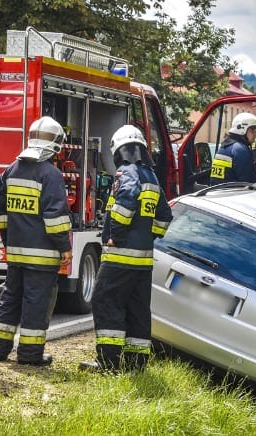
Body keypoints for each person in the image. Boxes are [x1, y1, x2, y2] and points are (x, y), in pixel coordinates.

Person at [80, 125, 173, 373]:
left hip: (120, 256)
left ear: (120, 150)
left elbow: (126, 200)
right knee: (137, 309)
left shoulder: (126, 173)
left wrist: (116, 236)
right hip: (143, 261)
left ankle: (108, 363)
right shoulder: (151, 177)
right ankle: (135, 365)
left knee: (104, 300)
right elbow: (165, 215)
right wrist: (148, 236)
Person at [0, 116, 72, 366]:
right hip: (42, 256)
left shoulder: (12, 170)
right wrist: (64, 247)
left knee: (10, 298)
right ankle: (29, 354)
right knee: (36, 304)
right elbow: (55, 218)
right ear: (56, 145)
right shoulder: (51, 174)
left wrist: (8, 240)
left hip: (15, 253)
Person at [210, 112, 256, 186]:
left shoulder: (224, 147)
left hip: (217, 193)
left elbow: (229, 176)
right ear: (241, 129)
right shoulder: (240, 150)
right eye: (252, 130)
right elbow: (250, 184)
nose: (255, 134)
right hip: (233, 195)